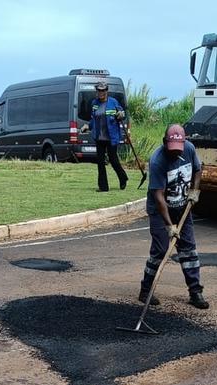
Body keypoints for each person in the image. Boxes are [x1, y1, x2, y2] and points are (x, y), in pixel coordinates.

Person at [140, 124, 207, 309]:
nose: (175, 154)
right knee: (161, 250)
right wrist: (170, 226)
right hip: (160, 211)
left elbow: (198, 169)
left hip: (182, 207)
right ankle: (145, 290)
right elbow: (159, 197)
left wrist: (194, 190)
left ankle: (195, 292)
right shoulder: (157, 160)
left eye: (178, 149)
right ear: (164, 142)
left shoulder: (190, 149)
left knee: (189, 250)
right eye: (171, 150)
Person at [83, 81, 127, 192]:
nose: (100, 92)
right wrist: (87, 126)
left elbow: (121, 112)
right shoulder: (94, 103)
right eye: (98, 90)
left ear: (106, 91)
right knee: (100, 162)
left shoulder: (113, 102)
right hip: (99, 137)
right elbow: (93, 120)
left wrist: (120, 114)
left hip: (111, 137)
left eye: (103, 90)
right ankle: (103, 187)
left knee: (113, 160)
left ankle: (123, 178)